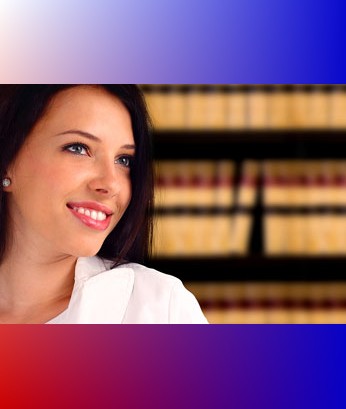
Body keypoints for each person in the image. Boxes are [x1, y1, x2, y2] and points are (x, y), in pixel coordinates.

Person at [0, 85, 207, 323]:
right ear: (7, 160)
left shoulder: (161, 309)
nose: (111, 184)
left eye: (124, 160)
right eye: (78, 148)